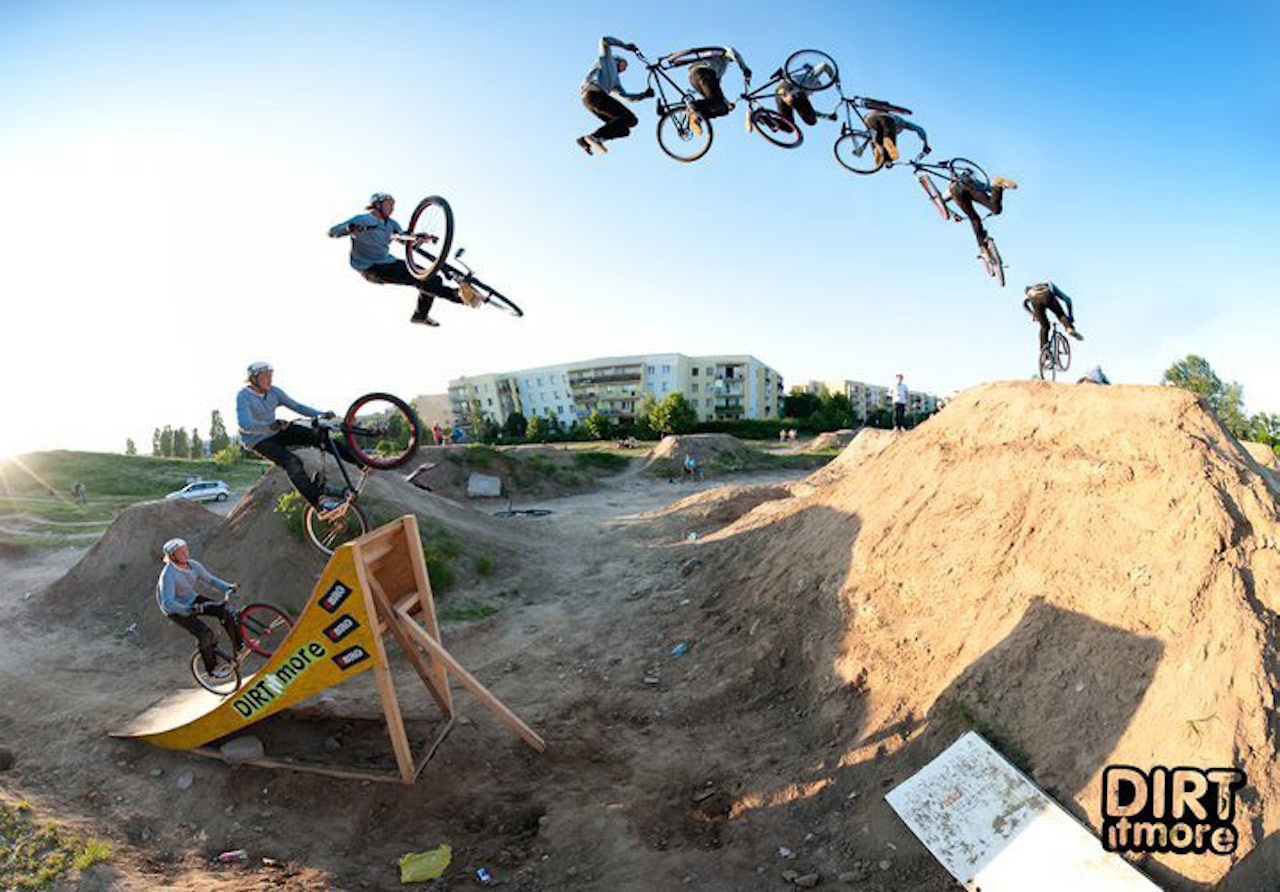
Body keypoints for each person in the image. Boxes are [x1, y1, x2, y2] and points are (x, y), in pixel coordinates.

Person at [329, 192, 468, 326]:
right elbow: (332, 232)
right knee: (419, 279)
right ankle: (457, 296)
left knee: (431, 277)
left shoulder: (391, 224)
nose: (392, 208)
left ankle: (420, 315)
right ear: (377, 205)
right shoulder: (361, 220)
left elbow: (404, 239)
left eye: (393, 205)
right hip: (370, 268)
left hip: (387, 262)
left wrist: (420, 238)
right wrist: (349, 228)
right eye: (389, 204)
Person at [236, 362, 357, 513]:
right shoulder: (244, 397)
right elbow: (245, 424)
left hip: (276, 430)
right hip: (258, 440)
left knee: (318, 435)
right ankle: (320, 502)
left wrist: (320, 414)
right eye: (266, 376)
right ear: (253, 378)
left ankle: (359, 462)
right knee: (292, 462)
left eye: (271, 376)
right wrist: (270, 425)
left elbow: (297, 407)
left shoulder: (274, 392)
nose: (270, 379)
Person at [155, 538, 240, 678]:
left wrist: (227, 587)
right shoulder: (168, 575)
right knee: (205, 634)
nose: (185, 553)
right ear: (172, 556)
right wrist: (188, 610)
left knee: (224, 610)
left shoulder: (193, 565)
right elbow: (167, 603)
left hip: (191, 599)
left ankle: (239, 646)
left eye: (185, 549)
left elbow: (210, 579)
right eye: (180, 552)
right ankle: (212, 669)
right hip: (175, 610)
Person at [577, 36, 654, 155]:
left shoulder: (615, 81)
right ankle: (595, 137)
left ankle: (588, 140)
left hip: (590, 101)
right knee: (631, 118)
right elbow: (605, 40)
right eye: (624, 65)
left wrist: (644, 95)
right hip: (594, 94)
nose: (624, 68)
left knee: (624, 128)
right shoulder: (608, 60)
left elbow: (626, 96)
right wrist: (626, 46)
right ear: (618, 60)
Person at [664, 46, 751, 121]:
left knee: (722, 109)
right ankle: (692, 108)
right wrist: (745, 69)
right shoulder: (723, 52)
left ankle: (697, 118)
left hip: (694, 77)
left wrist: (727, 104)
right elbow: (734, 53)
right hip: (705, 72)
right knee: (717, 102)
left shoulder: (719, 67)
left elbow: (717, 90)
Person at [948, 169, 1019, 250]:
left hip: (954, 190)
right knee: (996, 209)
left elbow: (940, 201)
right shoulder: (975, 182)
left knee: (974, 218)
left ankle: (982, 247)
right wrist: (1000, 187)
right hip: (967, 185)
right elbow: (989, 189)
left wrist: (952, 214)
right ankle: (997, 185)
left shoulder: (953, 185)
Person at [1023, 282, 1084, 357]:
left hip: (1034, 299)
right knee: (1060, 314)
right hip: (1047, 295)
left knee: (1044, 326)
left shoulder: (1030, 291)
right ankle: (1069, 329)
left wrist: (1033, 314)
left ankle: (1044, 351)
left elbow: (1025, 304)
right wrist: (1070, 316)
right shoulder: (1050, 285)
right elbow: (1067, 299)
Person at [774, 58, 839, 129]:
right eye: (818, 86)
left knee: (788, 127)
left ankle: (764, 117)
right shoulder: (811, 78)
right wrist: (835, 78)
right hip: (789, 90)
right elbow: (824, 65)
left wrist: (827, 116)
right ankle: (787, 95)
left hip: (781, 93)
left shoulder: (805, 94)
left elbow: (810, 111)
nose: (816, 90)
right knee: (812, 121)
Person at [864, 109, 930, 167]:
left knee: (877, 141)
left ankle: (880, 160)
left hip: (869, 120)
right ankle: (888, 159)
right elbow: (919, 129)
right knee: (888, 138)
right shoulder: (902, 122)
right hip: (885, 118)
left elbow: (873, 142)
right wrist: (926, 144)